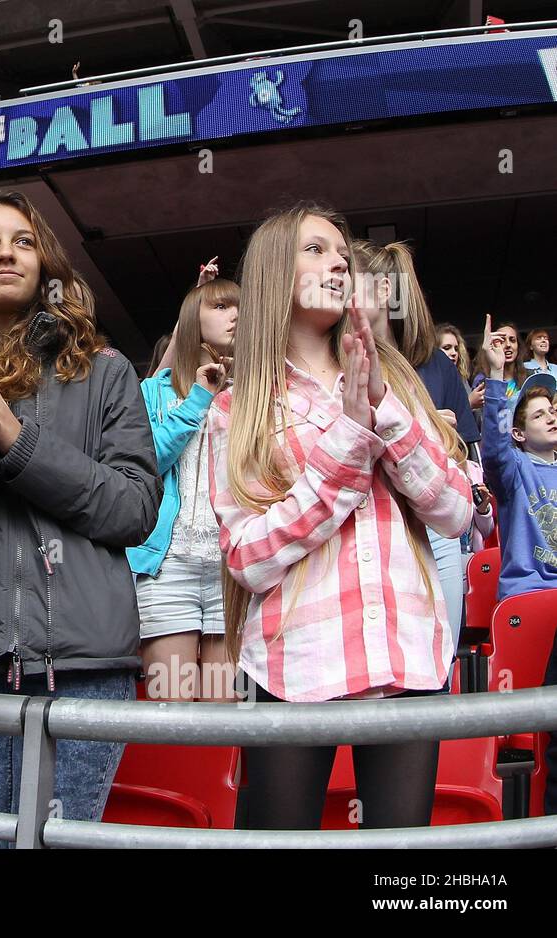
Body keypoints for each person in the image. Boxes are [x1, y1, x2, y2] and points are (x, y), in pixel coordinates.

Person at [0, 190, 160, 848]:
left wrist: (20, 447)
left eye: (22, 239)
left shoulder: (106, 371)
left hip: (87, 665)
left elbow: (133, 507)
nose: (7, 251)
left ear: (44, 262)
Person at [208, 203, 472, 831]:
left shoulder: (399, 380)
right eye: (315, 249)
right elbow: (248, 557)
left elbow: (456, 511)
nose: (337, 262)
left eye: (342, 254)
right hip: (295, 659)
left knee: (400, 875)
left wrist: (380, 405)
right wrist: (350, 439)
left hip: (404, 652)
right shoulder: (237, 407)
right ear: (275, 272)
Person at [351, 239, 475, 659]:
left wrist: (434, 432)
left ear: (384, 291)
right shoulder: (339, 361)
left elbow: (465, 459)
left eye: (350, 280)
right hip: (370, 527)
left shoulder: (434, 364)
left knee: (439, 658)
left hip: (435, 530)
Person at [128, 273, 237, 702]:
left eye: (239, 307)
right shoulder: (152, 391)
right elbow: (146, 461)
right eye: (220, 306)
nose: (235, 315)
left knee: (225, 721)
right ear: (192, 319)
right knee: (170, 712)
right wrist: (197, 399)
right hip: (167, 567)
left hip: (233, 570)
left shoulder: (261, 391)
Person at [478, 322, 557, 816]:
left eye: (556, 411)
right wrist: (497, 375)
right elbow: (493, 451)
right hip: (531, 600)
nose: (552, 419)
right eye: (541, 414)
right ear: (518, 429)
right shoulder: (514, 470)